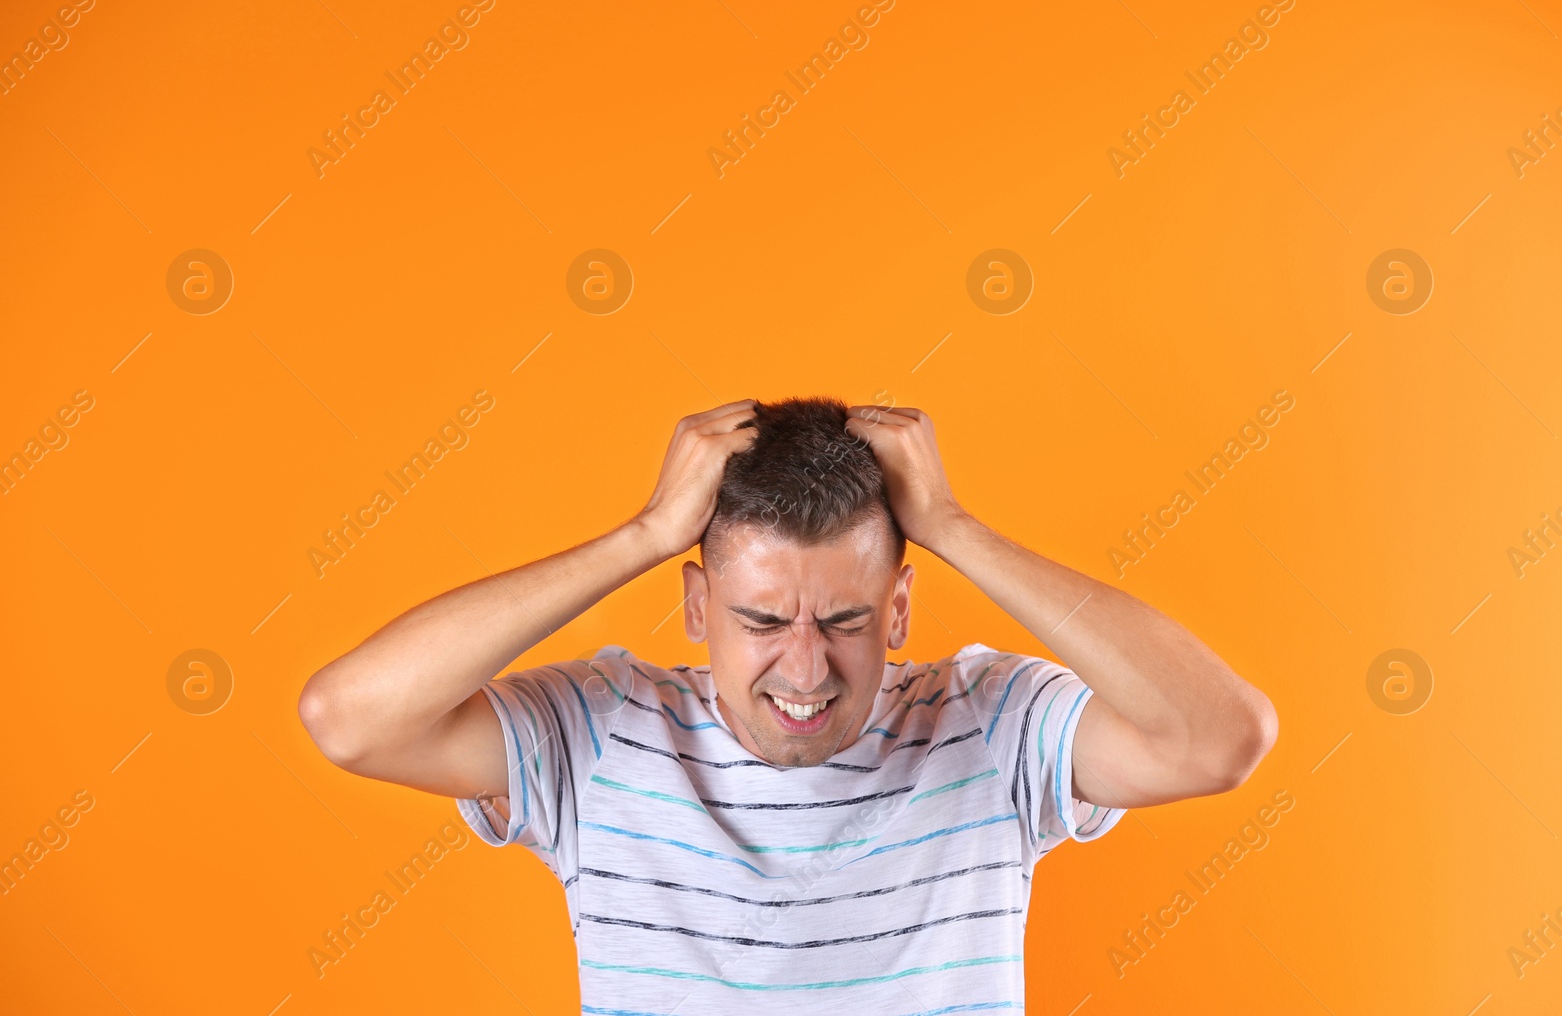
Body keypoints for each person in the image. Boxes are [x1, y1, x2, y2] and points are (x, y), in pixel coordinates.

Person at [298, 396, 1277, 1013]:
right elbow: (349, 716)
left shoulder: (990, 722)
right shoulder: (602, 731)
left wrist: (951, 526)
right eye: (762, 618)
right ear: (695, 605)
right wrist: (639, 535)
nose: (804, 671)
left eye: (844, 618)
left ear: (898, 607)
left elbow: (1219, 737)